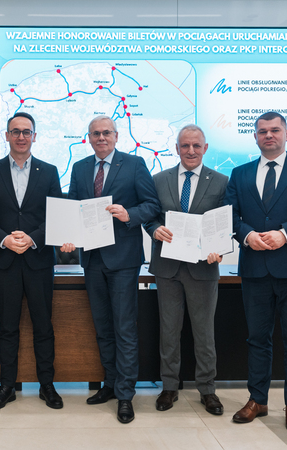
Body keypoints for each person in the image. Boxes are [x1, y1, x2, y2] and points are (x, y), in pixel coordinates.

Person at [61, 115, 160, 424]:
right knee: (103, 327)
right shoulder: (79, 168)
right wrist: (67, 236)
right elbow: (73, 208)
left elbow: (152, 205)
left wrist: (128, 214)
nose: (101, 137)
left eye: (106, 133)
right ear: (89, 138)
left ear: (116, 136)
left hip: (124, 260)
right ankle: (110, 384)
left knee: (124, 328)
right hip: (92, 259)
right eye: (95, 134)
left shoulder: (135, 164)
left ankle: (125, 394)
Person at [0, 112, 63, 410]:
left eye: (27, 132)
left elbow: (56, 215)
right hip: (5, 261)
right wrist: (4, 239)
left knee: (43, 326)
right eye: (16, 131)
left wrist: (33, 238)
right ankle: (6, 386)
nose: (21, 136)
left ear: (34, 136)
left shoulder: (49, 171)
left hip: (39, 260)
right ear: (7, 136)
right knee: (8, 327)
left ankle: (47, 385)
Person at [143, 125, 228, 415]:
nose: (190, 151)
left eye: (196, 146)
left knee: (204, 333)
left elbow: (225, 222)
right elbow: (150, 216)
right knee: (169, 330)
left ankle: (207, 389)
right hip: (167, 267)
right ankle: (169, 387)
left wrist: (219, 247)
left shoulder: (221, 181)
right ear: (177, 148)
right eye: (185, 146)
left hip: (203, 268)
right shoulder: (159, 179)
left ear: (205, 148)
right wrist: (154, 229)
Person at [225, 111, 287, 425]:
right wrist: (247, 235)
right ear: (255, 136)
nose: (269, 135)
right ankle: (257, 400)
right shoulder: (240, 174)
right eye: (263, 131)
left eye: (275, 130)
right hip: (254, 270)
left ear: (285, 133)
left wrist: (285, 234)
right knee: (257, 339)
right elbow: (229, 215)